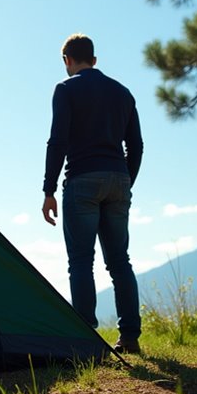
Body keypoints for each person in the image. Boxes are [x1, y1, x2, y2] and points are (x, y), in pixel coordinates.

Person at [42, 33, 144, 354]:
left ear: (67, 61)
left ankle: (86, 338)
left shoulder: (65, 89)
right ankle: (129, 337)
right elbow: (136, 145)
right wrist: (126, 179)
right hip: (118, 179)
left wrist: (48, 189)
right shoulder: (123, 93)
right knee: (119, 262)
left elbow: (57, 141)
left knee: (81, 263)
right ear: (95, 60)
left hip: (82, 181)